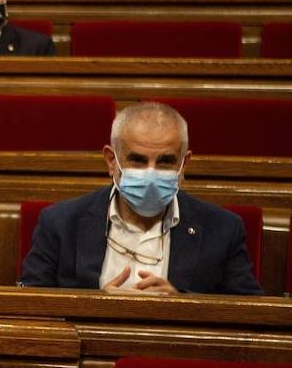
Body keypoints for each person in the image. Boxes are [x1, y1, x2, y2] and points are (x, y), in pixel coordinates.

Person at [20, 102, 262, 295]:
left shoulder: (222, 229)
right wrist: (95, 306)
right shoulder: (61, 223)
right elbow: (29, 303)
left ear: (184, 164)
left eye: (165, 162)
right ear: (111, 160)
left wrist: (181, 305)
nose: (151, 173)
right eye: (137, 160)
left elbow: (249, 314)